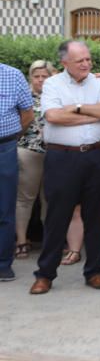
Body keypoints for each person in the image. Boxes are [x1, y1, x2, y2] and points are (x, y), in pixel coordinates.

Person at [31, 41, 100, 294]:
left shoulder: (99, 84)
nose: (86, 64)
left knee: (97, 217)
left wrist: (77, 108)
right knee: (57, 217)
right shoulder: (53, 84)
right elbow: (54, 117)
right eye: (80, 61)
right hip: (62, 158)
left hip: (96, 155)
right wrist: (94, 114)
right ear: (64, 62)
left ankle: (95, 272)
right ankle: (45, 274)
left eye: (88, 59)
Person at [14, 60, 55, 261]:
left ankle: (50, 240)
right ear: (31, 77)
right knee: (25, 198)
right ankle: (21, 241)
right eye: (36, 76)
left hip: (54, 153)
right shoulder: (24, 95)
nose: (40, 80)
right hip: (28, 151)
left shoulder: (56, 95)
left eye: (44, 76)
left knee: (49, 198)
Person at [1, 62, 33, 283]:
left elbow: (28, 114)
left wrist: (13, 138)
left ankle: (3, 264)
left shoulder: (13, 75)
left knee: (5, 206)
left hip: (5, 146)